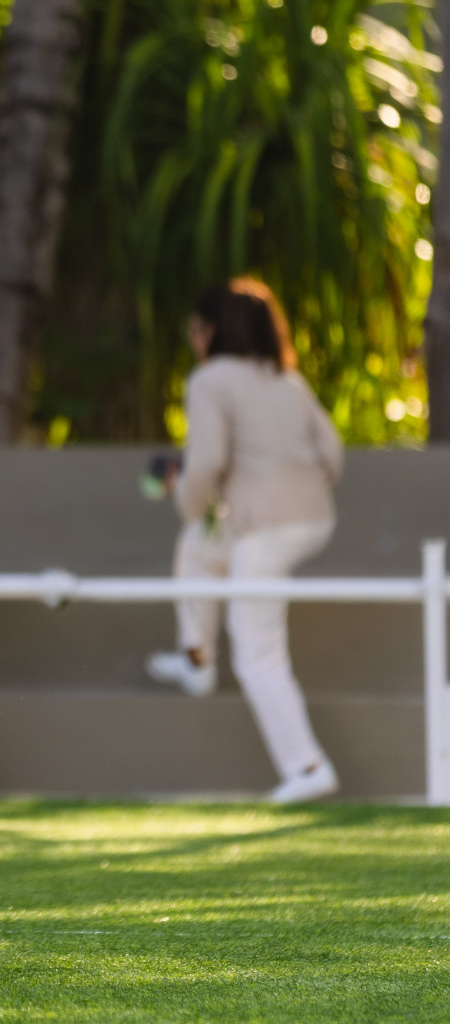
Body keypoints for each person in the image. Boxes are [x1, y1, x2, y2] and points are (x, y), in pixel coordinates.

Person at [145, 279, 344, 803]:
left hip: (266, 529)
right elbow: (333, 453)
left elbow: (207, 463)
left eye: (194, 329)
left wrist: (184, 496)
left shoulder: (211, 379)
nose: (192, 339)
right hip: (309, 520)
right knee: (200, 547)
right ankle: (196, 658)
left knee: (257, 650)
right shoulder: (289, 382)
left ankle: (307, 767)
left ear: (210, 330)